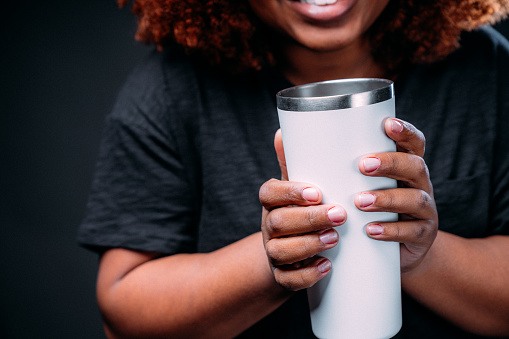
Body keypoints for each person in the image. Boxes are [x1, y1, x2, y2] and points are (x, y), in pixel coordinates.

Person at [77, 0, 509, 338]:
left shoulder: (489, 71)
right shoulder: (170, 89)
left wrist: (416, 254)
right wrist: (275, 256)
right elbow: (124, 314)